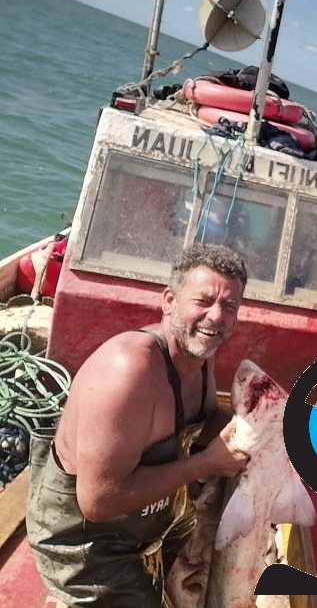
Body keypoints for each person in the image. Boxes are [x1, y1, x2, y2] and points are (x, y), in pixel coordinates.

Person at [26, 243, 251, 607]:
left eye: (229, 306)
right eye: (203, 301)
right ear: (169, 301)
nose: (216, 316)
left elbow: (207, 421)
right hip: (87, 545)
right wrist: (208, 463)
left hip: (151, 523)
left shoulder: (199, 355)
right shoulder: (129, 370)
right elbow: (99, 501)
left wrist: (263, 426)